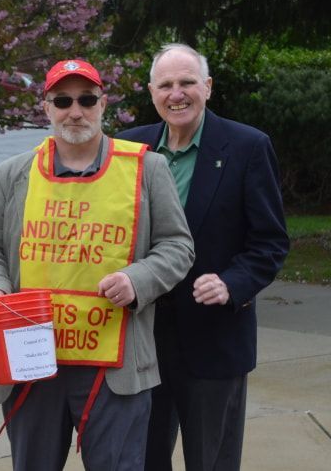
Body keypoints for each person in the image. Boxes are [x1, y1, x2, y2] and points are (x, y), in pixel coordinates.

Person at [0, 59, 194, 470]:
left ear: (103, 104)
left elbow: (178, 246)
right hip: (32, 360)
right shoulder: (9, 175)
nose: (76, 110)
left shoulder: (147, 169)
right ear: (47, 107)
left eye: (87, 99)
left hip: (115, 367)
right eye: (64, 100)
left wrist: (137, 279)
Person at [118, 43, 289, 471]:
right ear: (152, 92)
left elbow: (270, 241)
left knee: (212, 461)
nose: (177, 94)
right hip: (141, 339)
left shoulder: (247, 146)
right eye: (166, 85)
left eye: (187, 82)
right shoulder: (127, 149)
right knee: (141, 459)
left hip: (214, 339)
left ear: (207, 87)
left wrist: (234, 283)